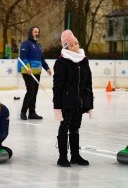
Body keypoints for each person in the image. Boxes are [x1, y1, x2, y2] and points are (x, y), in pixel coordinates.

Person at [53, 29, 94, 167]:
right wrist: (57, 107)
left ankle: (75, 156)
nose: (75, 47)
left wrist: (89, 104)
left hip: (80, 102)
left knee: (75, 128)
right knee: (64, 128)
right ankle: (62, 157)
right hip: (67, 102)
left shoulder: (83, 60)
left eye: (76, 44)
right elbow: (57, 87)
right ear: (66, 47)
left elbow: (88, 83)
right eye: (72, 45)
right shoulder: (61, 62)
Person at [19, 26, 52, 120]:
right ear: (30, 33)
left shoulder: (39, 46)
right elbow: (23, 57)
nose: (37, 33)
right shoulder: (26, 44)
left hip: (37, 72)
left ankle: (32, 112)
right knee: (31, 91)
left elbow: (41, 59)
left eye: (38, 32)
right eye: (35, 32)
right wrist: (28, 67)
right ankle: (23, 112)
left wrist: (47, 68)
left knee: (35, 92)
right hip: (28, 72)